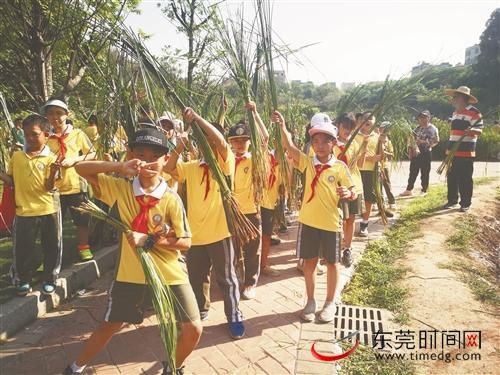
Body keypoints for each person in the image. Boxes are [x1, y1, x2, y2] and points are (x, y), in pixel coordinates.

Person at [65, 128, 201, 375]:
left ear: (165, 159)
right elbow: (80, 169)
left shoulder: (171, 198)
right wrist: (119, 167)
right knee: (111, 324)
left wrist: (149, 240)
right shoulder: (120, 188)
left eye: (154, 156)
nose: (147, 162)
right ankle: (75, 368)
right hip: (130, 274)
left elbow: (185, 242)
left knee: (193, 328)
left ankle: (173, 366)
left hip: (170, 273)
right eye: (140, 154)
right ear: (130, 155)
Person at [164, 108, 245, 340]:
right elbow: (170, 169)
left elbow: (220, 142)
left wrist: (198, 119)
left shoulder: (223, 163)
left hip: (221, 233)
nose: (207, 144)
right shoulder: (191, 167)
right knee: (196, 278)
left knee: (227, 279)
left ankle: (234, 316)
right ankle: (201, 309)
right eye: (202, 140)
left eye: (208, 139)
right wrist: (179, 146)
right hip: (195, 235)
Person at [275, 111, 357, 323]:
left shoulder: (339, 167)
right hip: (308, 222)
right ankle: (310, 301)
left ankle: (329, 302)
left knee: (332, 263)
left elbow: (352, 190)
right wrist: (283, 126)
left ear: (333, 143)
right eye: (316, 141)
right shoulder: (308, 163)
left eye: (325, 141)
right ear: (311, 143)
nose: (320, 145)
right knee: (309, 263)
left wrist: (348, 194)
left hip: (331, 223)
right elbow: (290, 148)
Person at [0, 115, 60, 296]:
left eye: (35, 134)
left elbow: (49, 187)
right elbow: (12, 181)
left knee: (51, 246)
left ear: (46, 135)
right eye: (26, 135)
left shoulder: (51, 158)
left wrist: (53, 173)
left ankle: (49, 279)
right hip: (24, 211)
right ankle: (23, 280)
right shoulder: (17, 157)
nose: (30, 139)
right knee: (23, 248)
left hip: (48, 209)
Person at [44, 99, 96, 262]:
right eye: (51, 114)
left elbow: (93, 154)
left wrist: (74, 160)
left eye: (59, 113)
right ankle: (53, 254)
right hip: (54, 188)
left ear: (67, 114)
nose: (55, 117)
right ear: (46, 116)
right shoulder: (45, 137)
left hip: (76, 185)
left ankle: (83, 247)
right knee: (52, 224)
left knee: (81, 220)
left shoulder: (78, 134)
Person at [227, 101, 269, 300]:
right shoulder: (225, 160)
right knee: (233, 250)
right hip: (231, 212)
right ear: (230, 142)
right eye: (235, 140)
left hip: (251, 211)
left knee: (252, 250)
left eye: (244, 140)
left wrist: (254, 113)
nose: (240, 144)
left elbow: (266, 138)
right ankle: (236, 279)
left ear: (249, 142)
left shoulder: (254, 159)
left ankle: (250, 283)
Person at [443, 86, 483, 212]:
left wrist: (471, 130)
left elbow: (480, 130)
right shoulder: (455, 113)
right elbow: (453, 133)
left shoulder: (474, 112)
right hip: (452, 151)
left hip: (466, 151)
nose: (453, 99)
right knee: (451, 176)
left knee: (465, 178)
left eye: (455, 97)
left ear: (462, 98)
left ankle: (465, 203)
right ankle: (452, 200)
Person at [333, 113, 364, 268]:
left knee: (350, 219)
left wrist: (363, 147)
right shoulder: (331, 143)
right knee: (337, 219)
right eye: (344, 127)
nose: (347, 131)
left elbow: (360, 164)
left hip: (354, 185)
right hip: (337, 187)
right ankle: (334, 249)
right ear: (338, 126)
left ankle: (347, 248)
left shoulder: (354, 143)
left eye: (350, 128)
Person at [400, 110, 439, 196]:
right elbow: (411, 141)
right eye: (421, 117)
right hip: (416, 153)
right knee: (413, 172)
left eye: (425, 117)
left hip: (426, 152)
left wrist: (424, 142)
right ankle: (409, 189)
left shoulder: (433, 128)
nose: (422, 119)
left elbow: (436, 141)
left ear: (429, 118)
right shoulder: (416, 129)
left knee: (425, 172)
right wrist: (410, 151)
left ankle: (424, 190)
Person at [355, 112, 382, 237]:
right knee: (352, 198)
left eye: (371, 118)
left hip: (370, 172)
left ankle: (364, 225)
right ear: (360, 121)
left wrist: (379, 157)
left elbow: (381, 155)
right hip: (355, 171)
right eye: (366, 118)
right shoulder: (353, 136)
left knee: (368, 198)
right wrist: (369, 158)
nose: (368, 120)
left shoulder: (377, 137)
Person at [260, 149, 281, 277]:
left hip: (269, 204)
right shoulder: (264, 156)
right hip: (254, 202)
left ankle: (263, 265)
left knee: (266, 236)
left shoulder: (284, 162)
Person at [378, 123, 396, 211]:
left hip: (384, 166)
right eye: (381, 128)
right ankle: (380, 203)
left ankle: (391, 201)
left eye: (385, 129)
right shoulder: (375, 139)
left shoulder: (388, 142)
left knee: (387, 184)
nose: (382, 130)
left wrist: (385, 153)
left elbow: (391, 155)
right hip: (375, 166)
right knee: (378, 186)